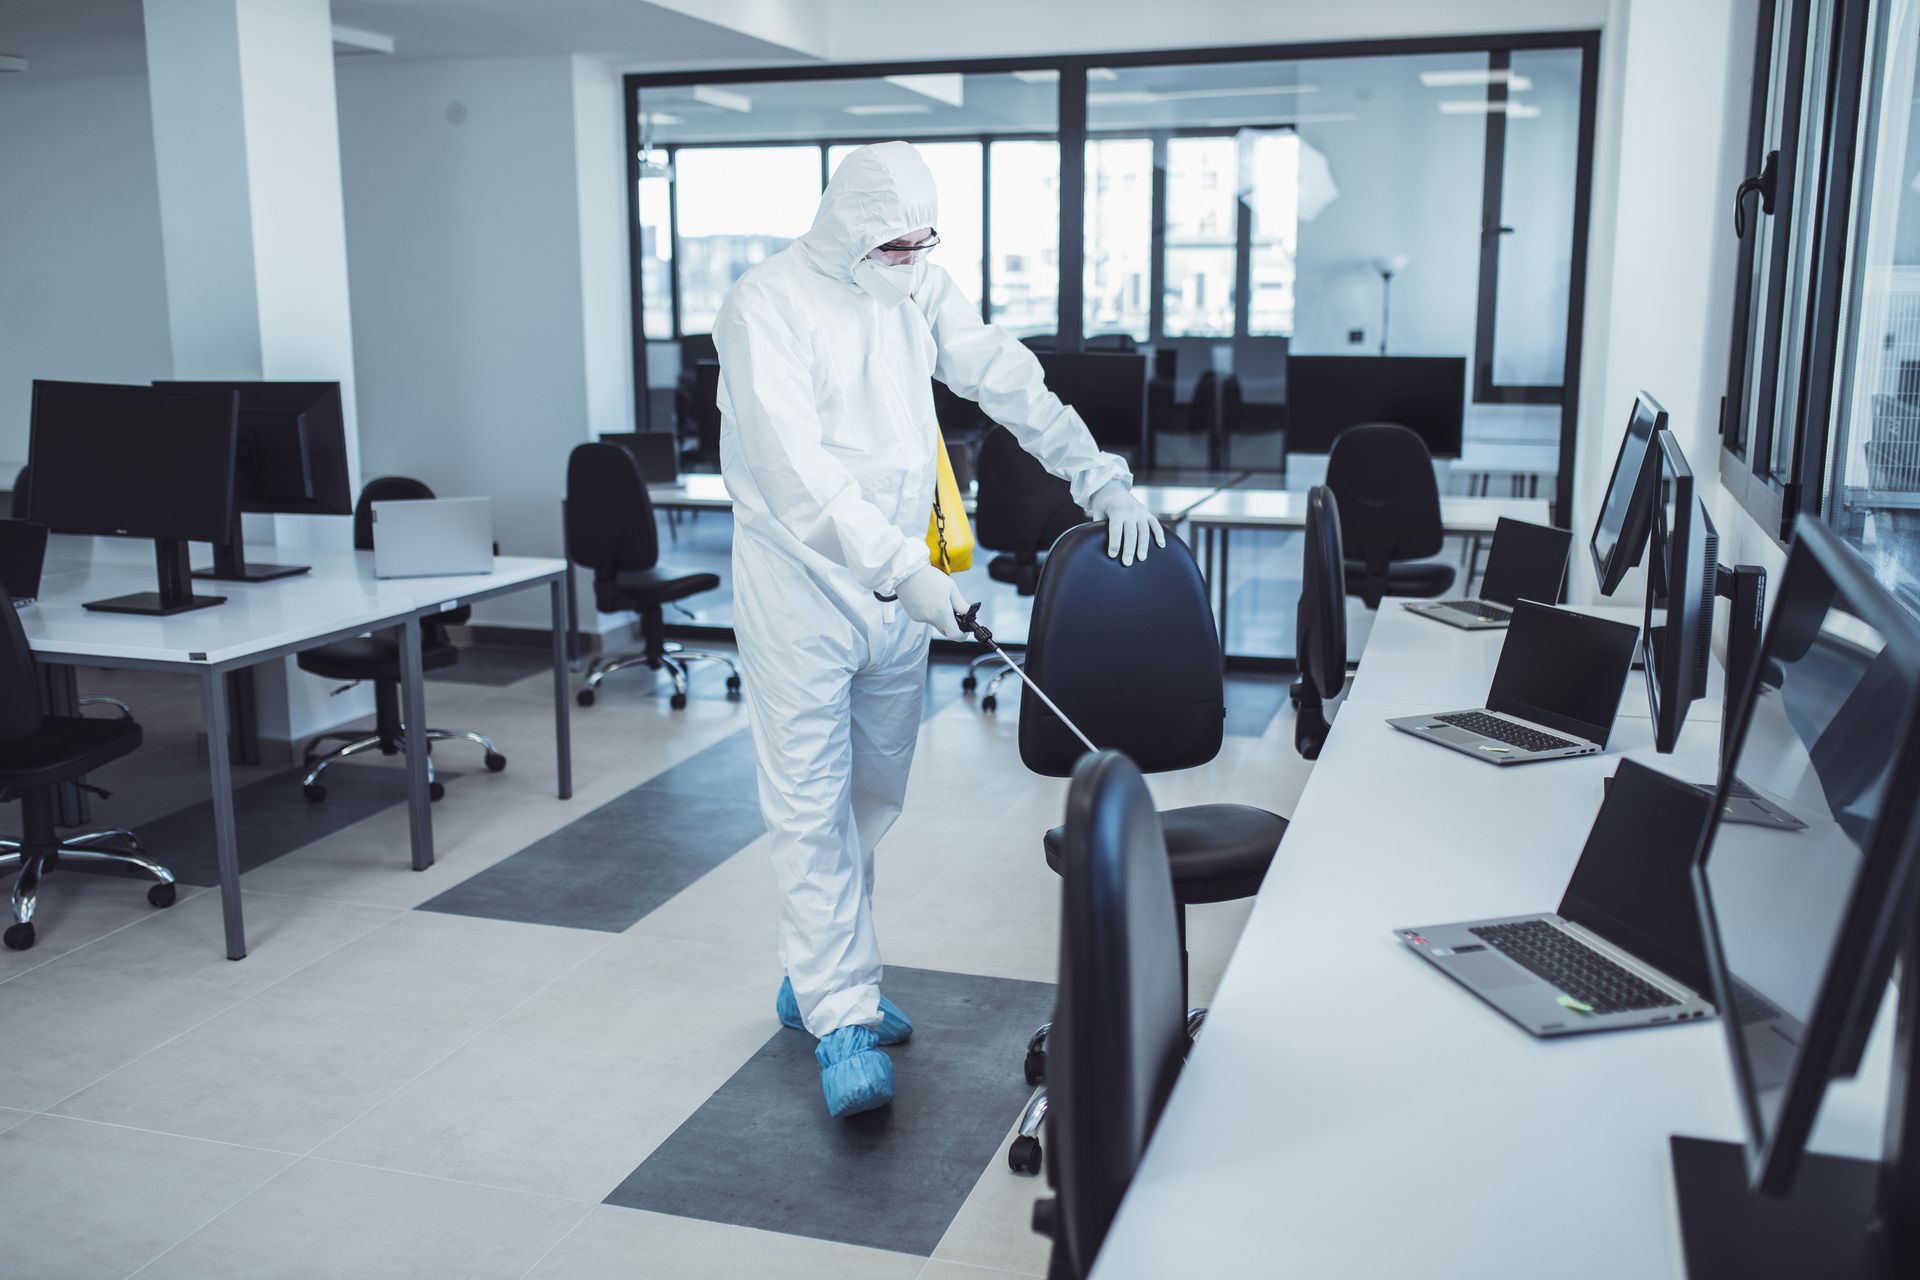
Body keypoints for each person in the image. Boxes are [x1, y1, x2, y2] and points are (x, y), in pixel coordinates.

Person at [714, 141, 1164, 1119]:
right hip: (804, 589)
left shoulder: (914, 285)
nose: (912, 256)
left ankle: (826, 967)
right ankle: (839, 1011)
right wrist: (901, 570)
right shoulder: (766, 305)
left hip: (900, 592)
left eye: (924, 241)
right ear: (848, 229)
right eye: (895, 243)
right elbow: (800, 477)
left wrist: (1097, 471)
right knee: (810, 802)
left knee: (872, 794)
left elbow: (1003, 374)